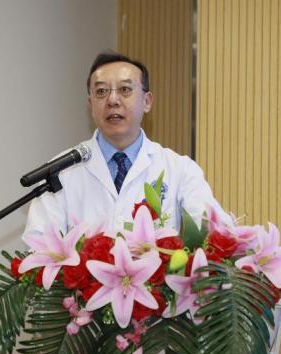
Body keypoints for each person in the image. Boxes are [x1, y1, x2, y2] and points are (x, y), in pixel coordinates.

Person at [22, 51, 230, 239]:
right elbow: (39, 247)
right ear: (91, 104)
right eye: (101, 91)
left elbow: (219, 237)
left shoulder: (179, 169)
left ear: (147, 102)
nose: (112, 100)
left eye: (125, 89)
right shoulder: (60, 172)